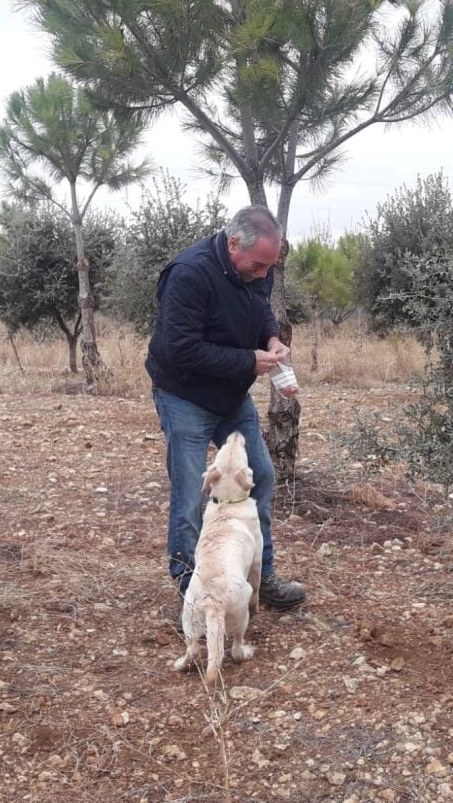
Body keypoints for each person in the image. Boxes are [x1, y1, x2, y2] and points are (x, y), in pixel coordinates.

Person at [146, 204, 306, 610]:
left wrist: (271, 339)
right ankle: (192, 594)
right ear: (233, 243)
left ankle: (260, 576)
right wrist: (249, 361)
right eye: (258, 265)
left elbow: (260, 311)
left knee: (262, 477)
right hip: (184, 396)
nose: (264, 275)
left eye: (270, 266)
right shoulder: (188, 274)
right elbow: (182, 350)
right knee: (189, 496)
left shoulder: (255, 269)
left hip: (233, 397)